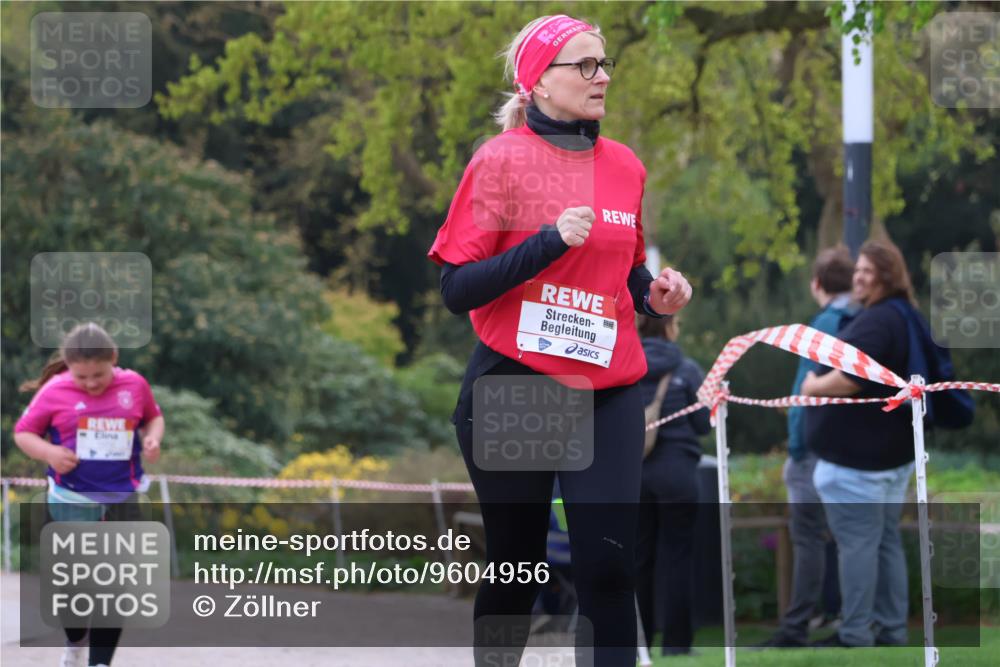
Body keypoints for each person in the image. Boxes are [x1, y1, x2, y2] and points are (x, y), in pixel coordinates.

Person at [427, 14, 692, 666]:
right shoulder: (500, 161)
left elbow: (623, 271)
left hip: (608, 387)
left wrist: (652, 293)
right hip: (517, 384)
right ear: (538, 83)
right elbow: (458, 288)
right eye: (585, 66)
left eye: (603, 64)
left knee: (608, 569)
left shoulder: (625, 166)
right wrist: (547, 241)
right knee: (517, 567)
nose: (602, 77)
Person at [14, 322, 165, 667]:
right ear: (68, 367)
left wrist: (152, 438)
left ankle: (100, 663)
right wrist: (49, 453)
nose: (92, 383)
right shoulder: (54, 390)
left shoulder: (135, 385)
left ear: (114, 358)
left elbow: (153, 418)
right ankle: (74, 641)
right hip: (71, 502)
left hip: (122, 499)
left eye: (99, 374)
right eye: (82, 377)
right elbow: (24, 433)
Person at [801, 240, 918, 648]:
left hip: (860, 467)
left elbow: (849, 376)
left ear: (889, 275)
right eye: (858, 270)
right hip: (889, 460)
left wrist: (813, 384)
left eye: (869, 270)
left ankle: (854, 634)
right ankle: (891, 631)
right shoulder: (904, 315)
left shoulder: (878, 320)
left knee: (859, 547)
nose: (860, 277)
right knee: (885, 543)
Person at [757, 246, 858, 648]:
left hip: (814, 448)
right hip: (850, 446)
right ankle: (847, 618)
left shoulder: (824, 324)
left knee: (808, 536)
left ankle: (797, 624)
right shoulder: (863, 319)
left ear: (816, 284)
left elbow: (803, 394)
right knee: (854, 536)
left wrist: (795, 448)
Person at [634, 313, 711, 657]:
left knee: (639, 561)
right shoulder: (687, 369)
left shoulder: (625, 367)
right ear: (669, 327)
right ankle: (677, 647)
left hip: (633, 475)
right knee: (677, 558)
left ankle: (641, 645)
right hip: (677, 472)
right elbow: (701, 424)